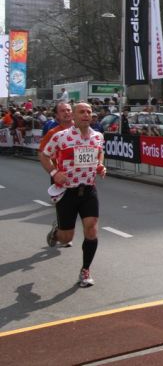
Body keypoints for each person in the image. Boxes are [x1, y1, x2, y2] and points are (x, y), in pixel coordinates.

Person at [41, 102, 106, 287]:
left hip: (88, 190)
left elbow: (100, 152)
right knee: (66, 238)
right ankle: (57, 232)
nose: (86, 114)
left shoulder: (98, 136)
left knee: (91, 230)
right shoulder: (60, 137)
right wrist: (54, 173)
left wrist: (100, 165)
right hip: (67, 191)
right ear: (74, 116)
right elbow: (44, 155)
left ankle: (85, 271)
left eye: (88, 112)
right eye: (81, 112)